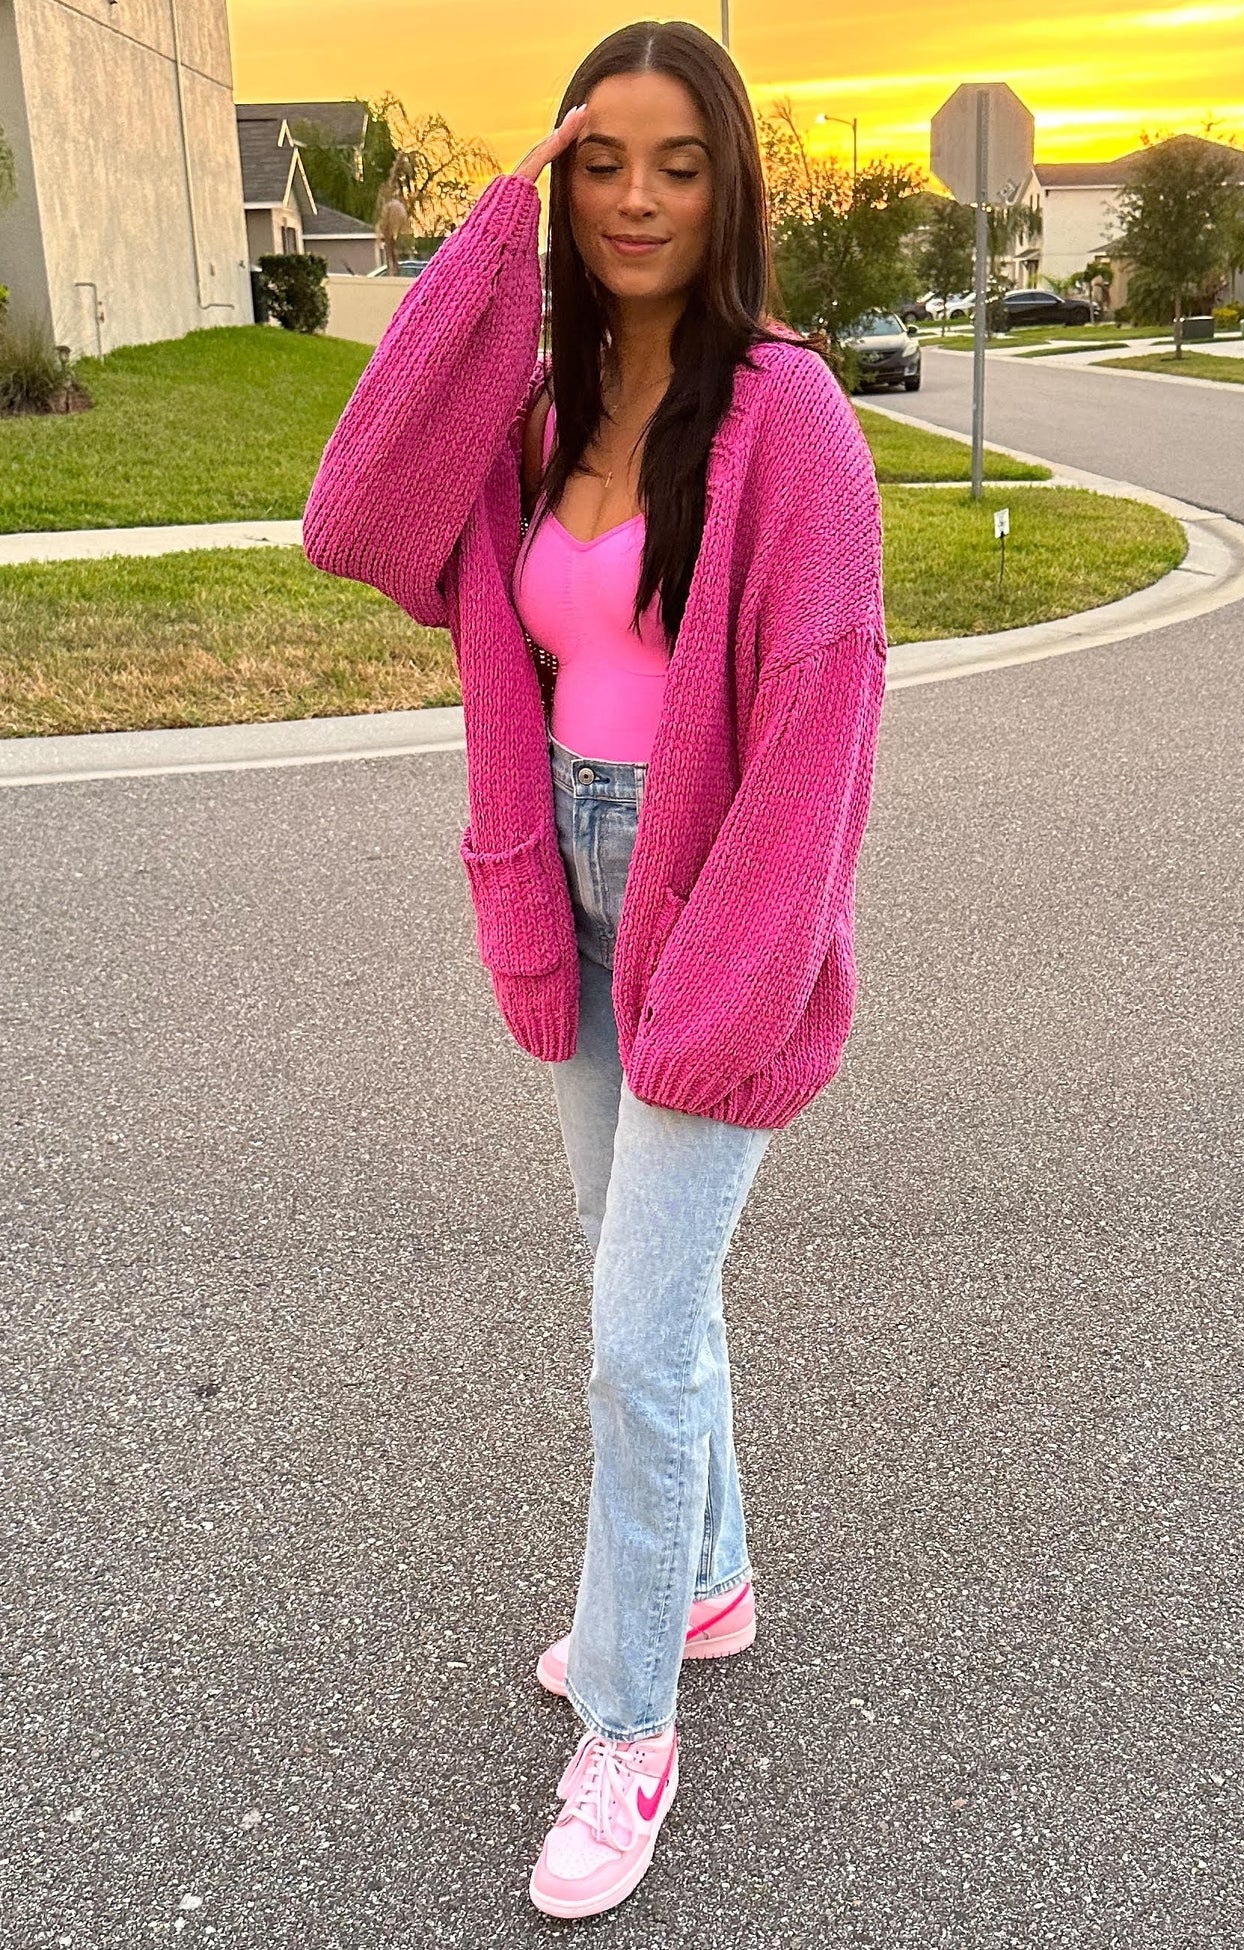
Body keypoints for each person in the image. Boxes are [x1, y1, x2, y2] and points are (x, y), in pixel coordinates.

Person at [301, 19, 888, 1923]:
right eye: (600, 162)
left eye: (678, 164)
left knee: (637, 1337)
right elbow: (354, 511)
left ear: (732, 189)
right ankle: (705, 1579)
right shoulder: (541, 413)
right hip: (568, 882)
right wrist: (486, 228)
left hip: (722, 907)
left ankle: (630, 1726)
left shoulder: (791, 417)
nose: (638, 199)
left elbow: (817, 731)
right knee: (645, 1289)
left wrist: (729, 990)